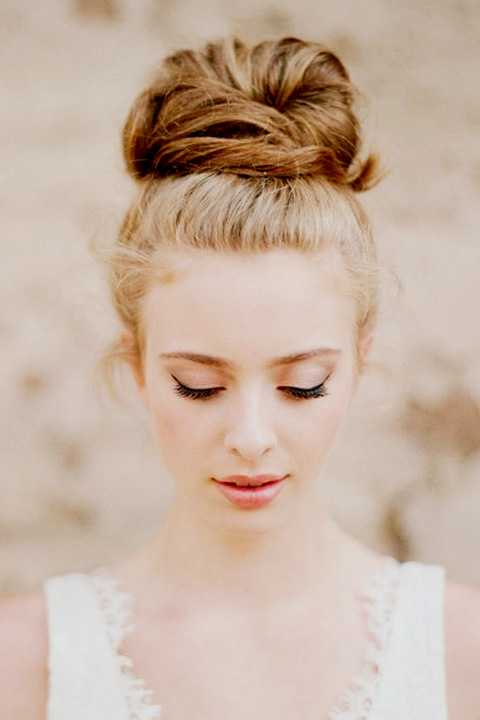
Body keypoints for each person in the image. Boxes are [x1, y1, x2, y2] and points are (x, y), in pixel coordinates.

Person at [0, 36, 479, 720]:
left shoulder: (462, 652)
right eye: (198, 386)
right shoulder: (24, 661)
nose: (251, 438)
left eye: (304, 384)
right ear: (136, 367)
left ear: (360, 362)